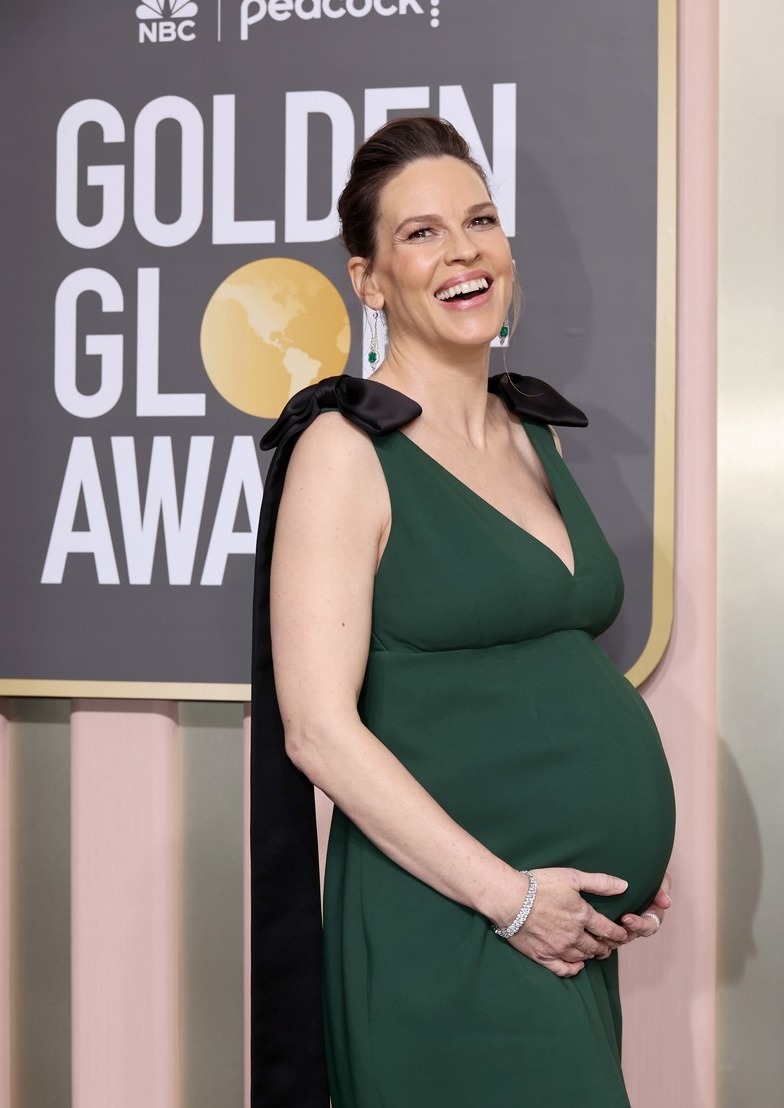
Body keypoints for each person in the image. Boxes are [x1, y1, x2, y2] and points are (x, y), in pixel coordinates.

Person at [250, 116, 675, 1108]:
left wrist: (611, 857)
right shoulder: (344, 452)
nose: (463, 250)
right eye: (421, 232)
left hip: (560, 928)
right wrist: (512, 895)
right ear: (367, 280)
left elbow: (538, 679)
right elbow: (317, 731)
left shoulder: (537, 432)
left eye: (478, 219)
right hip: (449, 919)